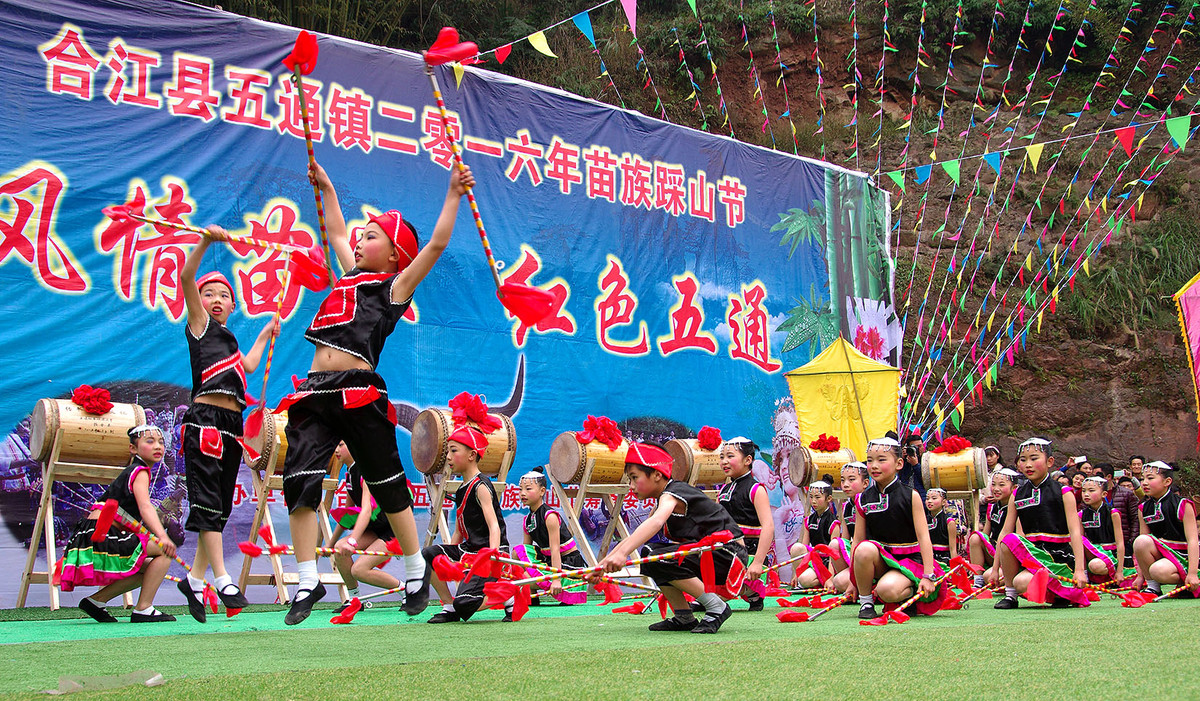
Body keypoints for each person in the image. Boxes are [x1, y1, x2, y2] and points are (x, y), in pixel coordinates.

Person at [273, 161, 475, 624]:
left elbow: (438, 244)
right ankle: (307, 578)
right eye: (361, 235)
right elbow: (336, 230)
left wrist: (452, 193)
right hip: (313, 392)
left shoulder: (393, 288)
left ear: (394, 256)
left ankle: (414, 567)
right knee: (299, 481)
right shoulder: (347, 276)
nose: (360, 241)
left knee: (385, 482)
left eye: (372, 237)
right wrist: (326, 186)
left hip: (358, 390)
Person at [177, 231, 278, 622]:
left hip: (232, 424)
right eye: (209, 294)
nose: (216, 299)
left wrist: (266, 335)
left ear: (233, 304)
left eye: (224, 295)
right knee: (206, 503)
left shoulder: (231, 341)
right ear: (199, 303)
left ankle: (195, 580)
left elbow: (249, 367)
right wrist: (204, 241)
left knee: (216, 509)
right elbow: (187, 277)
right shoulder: (199, 326)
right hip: (205, 421)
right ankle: (223, 579)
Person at [598, 442, 748, 634]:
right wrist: (602, 566)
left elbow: (656, 522)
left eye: (635, 478)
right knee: (651, 553)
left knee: (661, 558)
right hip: (714, 555)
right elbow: (638, 535)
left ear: (657, 475)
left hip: (729, 554)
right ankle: (684, 617)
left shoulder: (673, 493)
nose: (631, 486)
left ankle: (717, 607)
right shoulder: (666, 496)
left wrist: (622, 555)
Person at [60, 426, 178, 623]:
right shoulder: (139, 471)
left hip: (96, 532)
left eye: (161, 442)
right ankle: (144, 608)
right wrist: (163, 537)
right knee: (164, 551)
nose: (158, 446)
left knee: (147, 568)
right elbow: (145, 507)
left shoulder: (134, 471)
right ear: (133, 448)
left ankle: (96, 602)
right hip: (104, 532)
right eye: (150, 441)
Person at [846, 437, 944, 620]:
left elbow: (924, 537)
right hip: (883, 561)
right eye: (869, 460)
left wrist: (928, 575)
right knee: (864, 548)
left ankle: (910, 592)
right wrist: (854, 581)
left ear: (899, 463)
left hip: (911, 561)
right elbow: (857, 541)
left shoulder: (911, 496)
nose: (874, 465)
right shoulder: (862, 499)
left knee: (887, 590)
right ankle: (866, 602)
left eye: (881, 460)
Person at [423, 425, 510, 623]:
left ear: (471, 455)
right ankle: (448, 606)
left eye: (454, 451)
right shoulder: (462, 488)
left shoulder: (481, 486)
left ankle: (507, 593)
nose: (448, 457)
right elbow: (459, 530)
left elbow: (494, 525)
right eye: (448, 451)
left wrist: (493, 556)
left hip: (489, 551)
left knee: (465, 603)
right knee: (428, 554)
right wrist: (449, 560)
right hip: (469, 550)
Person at [993, 438, 1090, 609]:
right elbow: (1004, 532)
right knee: (1009, 542)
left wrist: (1080, 571)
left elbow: (1075, 532)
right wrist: (995, 569)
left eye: (1034, 458)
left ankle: (1060, 592)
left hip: (1060, 557)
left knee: (1022, 581)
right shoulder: (1018, 493)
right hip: (1032, 555)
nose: (1028, 464)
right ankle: (1010, 595)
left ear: (1050, 461)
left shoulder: (1063, 492)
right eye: (1023, 460)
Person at [330, 441, 399, 613]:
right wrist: (330, 544)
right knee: (339, 549)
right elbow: (347, 515)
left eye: (341, 445)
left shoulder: (368, 471)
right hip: (374, 530)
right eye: (336, 445)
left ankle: (408, 590)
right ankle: (354, 600)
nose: (336, 450)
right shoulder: (349, 474)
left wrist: (352, 541)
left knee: (359, 570)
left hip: (393, 530)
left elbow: (367, 510)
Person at [714, 437, 774, 611]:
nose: (724, 461)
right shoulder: (723, 490)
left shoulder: (757, 489)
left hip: (748, 554)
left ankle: (751, 590)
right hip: (725, 551)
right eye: (722, 457)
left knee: (706, 596)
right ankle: (743, 591)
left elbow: (768, 526)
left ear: (748, 460)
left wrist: (757, 562)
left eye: (730, 456)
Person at [515, 466, 586, 604]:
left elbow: (555, 550)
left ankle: (561, 586)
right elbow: (526, 554)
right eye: (520, 489)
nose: (522, 493)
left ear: (542, 491)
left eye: (528, 489)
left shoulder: (550, 516)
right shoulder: (527, 520)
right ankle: (531, 595)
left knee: (522, 575)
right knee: (518, 554)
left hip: (566, 565)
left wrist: (556, 579)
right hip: (548, 562)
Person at [1132, 461, 1199, 597]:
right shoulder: (1143, 508)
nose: (1144, 483)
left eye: (1150, 478)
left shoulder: (1182, 504)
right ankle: (1153, 587)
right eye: (1143, 479)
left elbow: (1193, 540)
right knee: (1140, 541)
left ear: (1167, 481)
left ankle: (1187, 581)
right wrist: (1140, 576)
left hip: (1184, 556)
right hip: (1163, 555)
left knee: (1158, 571)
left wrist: (1192, 573)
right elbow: (1142, 545)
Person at [968, 467, 1020, 588]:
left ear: (1014, 488)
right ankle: (977, 579)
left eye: (1001, 485)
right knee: (976, 537)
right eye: (993, 485)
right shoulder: (991, 507)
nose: (996, 489)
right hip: (995, 552)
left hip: (1011, 554)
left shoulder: (1018, 508)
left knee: (989, 577)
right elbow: (985, 536)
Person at [788, 477, 841, 590]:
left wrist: (830, 578)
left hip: (827, 562)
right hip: (814, 560)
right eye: (811, 497)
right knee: (797, 547)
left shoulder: (833, 523)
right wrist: (795, 574)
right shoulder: (809, 520)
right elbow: (804, 549)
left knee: (805, 580)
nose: (813, 501)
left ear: (829, 498)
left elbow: (833, 554)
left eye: (817, 497)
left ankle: (824, 580)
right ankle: (801, 578)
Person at [828, 462, 869, 593]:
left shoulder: (869, 503)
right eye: (842, 480)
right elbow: (844, 541)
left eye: (851, 480)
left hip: (869, 557)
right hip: (854, 555)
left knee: (840, 581)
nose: (845, 484)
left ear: (865, 483)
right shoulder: (846, 506)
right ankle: (850, 584)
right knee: (835, 544)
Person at [1079, 476, 1125, 583]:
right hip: (1092, 554)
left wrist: (1120, 571)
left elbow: (1120, 543)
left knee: (1095, 565)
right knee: (1076, 540)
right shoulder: (1081, 515)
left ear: (1104, 494)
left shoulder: (1113, 513)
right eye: (1084, 491)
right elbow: (1080, 543)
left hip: (1110, 555)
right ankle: (1085, 574)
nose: (1086, 494)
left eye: (1091, 491)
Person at [1098, 464, 1138, 567]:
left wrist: (1131, 542)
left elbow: (1135, 519)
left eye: (1099, 475)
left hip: (1124, 542)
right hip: (1101, 543)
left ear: (1109, 477)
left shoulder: (1127, 493)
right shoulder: (1092, 495)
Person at [925, 488, 958, 564]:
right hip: (928, 558)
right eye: (927, 498)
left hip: (944, 559)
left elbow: (953, 549)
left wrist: (955, 566)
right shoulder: (923, 520)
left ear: (943, 502)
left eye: (934, 498)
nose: (929, 501)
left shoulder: (949, 522)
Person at [900, 433, 928, 498]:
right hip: (906, 496)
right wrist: (902, 459)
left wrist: (916, 465)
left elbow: (926, 479)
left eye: (919, 446)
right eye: (914, 447)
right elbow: (898, 476)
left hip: (922, 497)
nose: (917, 449)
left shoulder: (927, 460)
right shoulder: (905, 461)